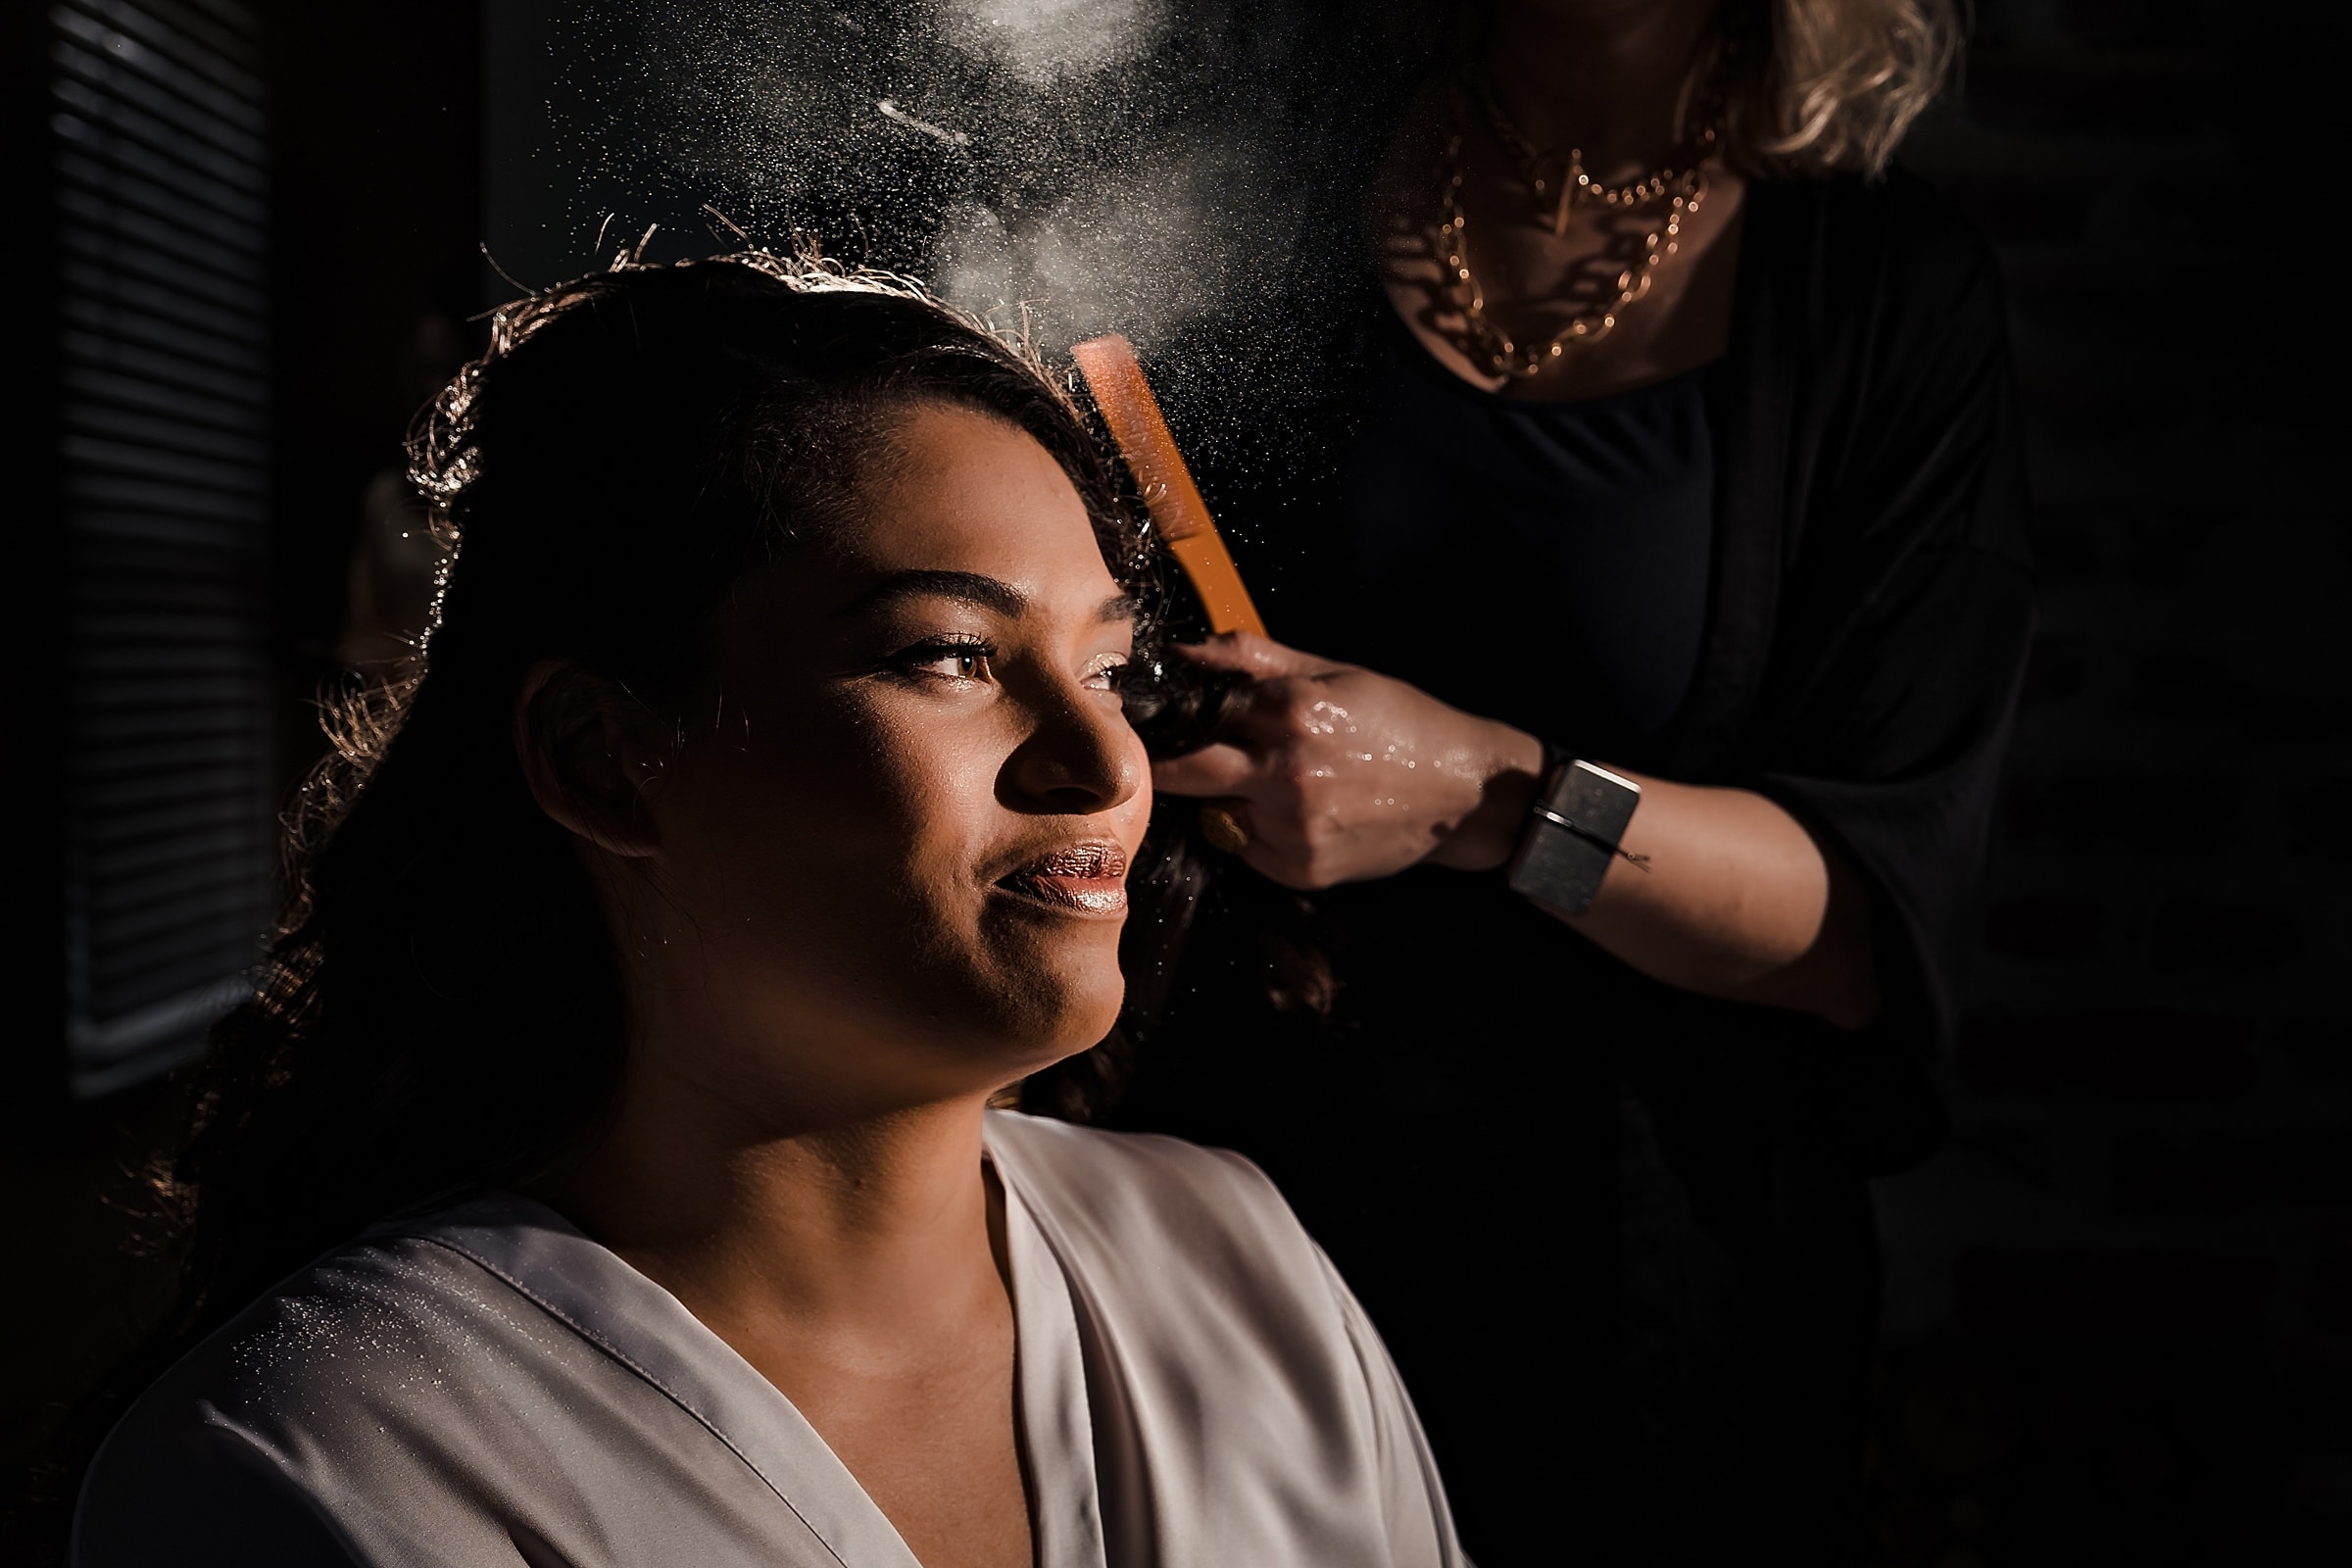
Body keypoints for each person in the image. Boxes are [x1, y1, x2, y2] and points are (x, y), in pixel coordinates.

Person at [71, 257, 1467, 1568]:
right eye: (950, 655)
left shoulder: (1236, 1259)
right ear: (605, 760)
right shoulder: (329, 1461)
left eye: (1107, 671)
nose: (1105, 766)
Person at [1120, 0, 2033, 1560]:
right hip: (1194, 1226)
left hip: (1644, 1291)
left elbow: (1860, 930)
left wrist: (1482, 797)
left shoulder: (1887, 295)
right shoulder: (1234, 160)